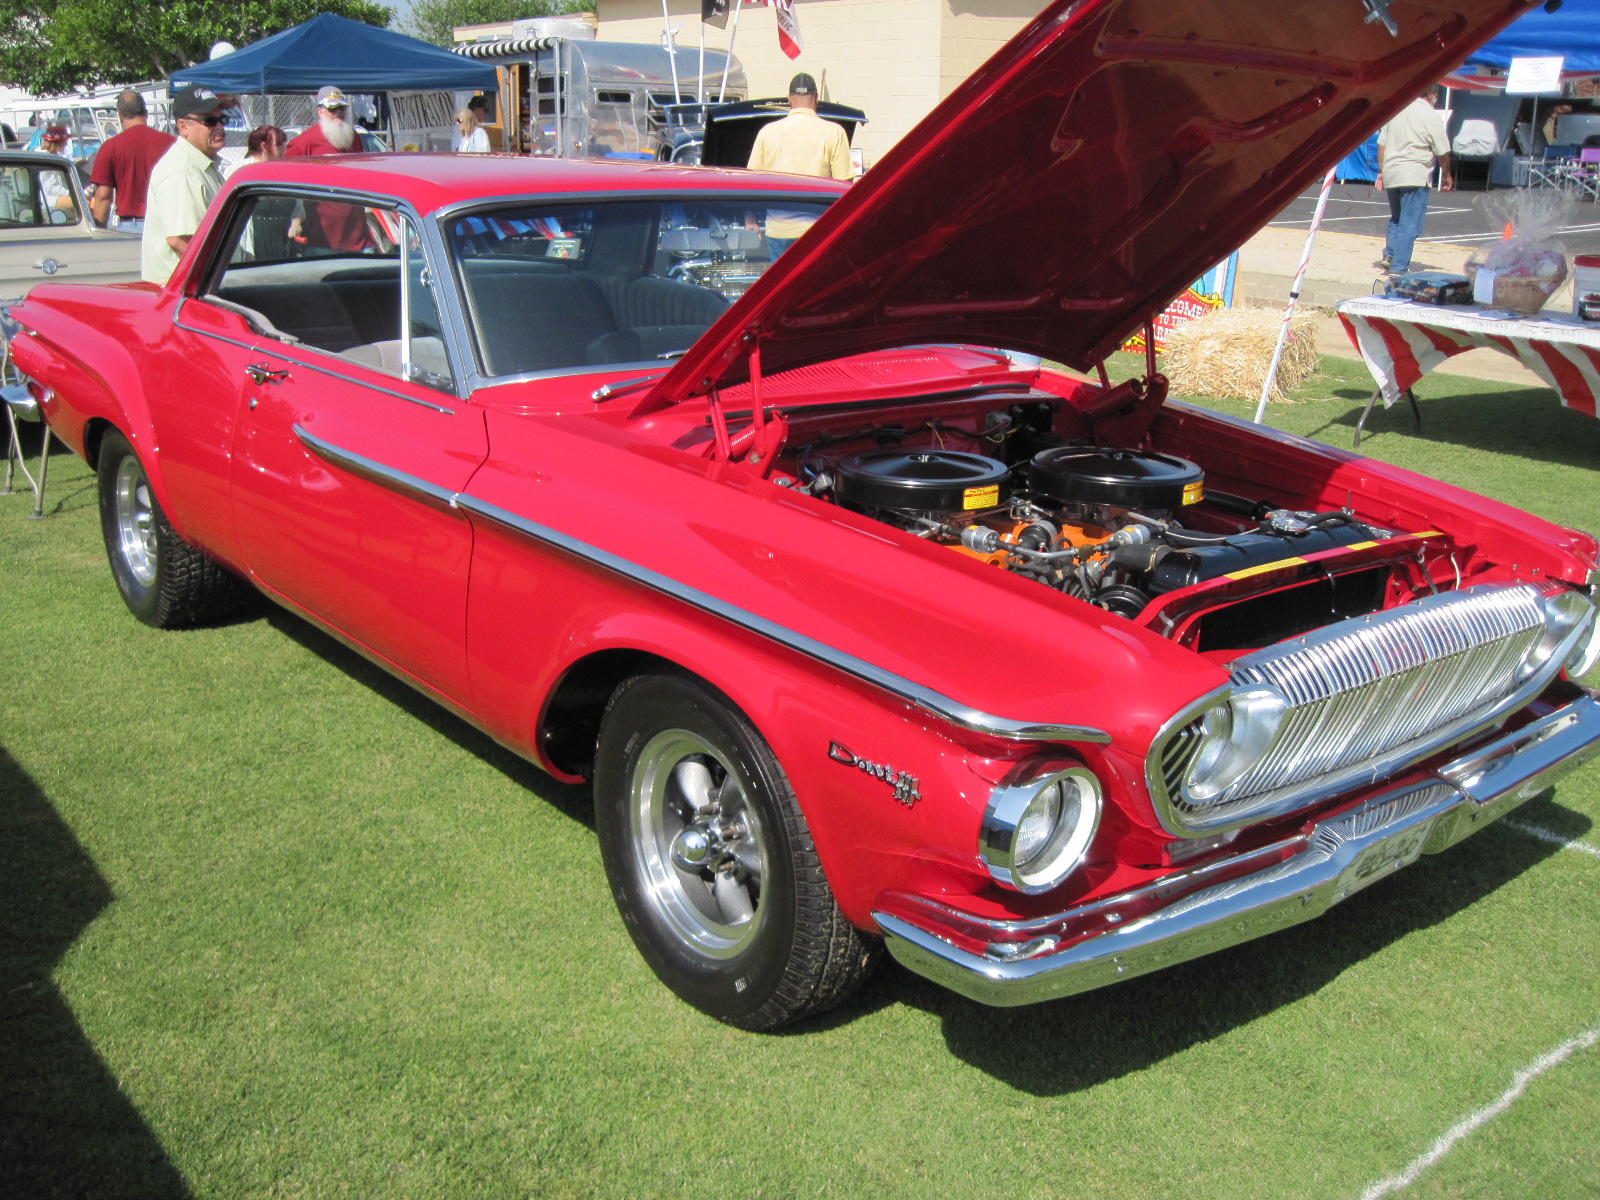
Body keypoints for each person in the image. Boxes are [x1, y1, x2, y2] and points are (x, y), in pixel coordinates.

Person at [746, 73, 853, 257]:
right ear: (817, 98)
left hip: (778, 230)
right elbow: (845, 187)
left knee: (782, 285)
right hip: (818, 231)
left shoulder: (767, 133)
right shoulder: (834, 132)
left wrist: (750, 220)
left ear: (789, 98)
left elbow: (750, 183)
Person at [141, 86, 228, 285]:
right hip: (182, 297)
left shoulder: (202, 164)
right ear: (183, 127)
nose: (220, 127)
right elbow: (182, 242)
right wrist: (223, 277)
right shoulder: (182, 172)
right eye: (210, 121)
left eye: (222, 119)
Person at [1375, 84, 1453, 275]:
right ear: (1432, 94)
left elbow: (1381, 144)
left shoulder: (1397, 109)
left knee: (1397, 218)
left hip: (1392, 170)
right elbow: (1442, 151)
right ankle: (1399, 267)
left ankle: (1390, 254)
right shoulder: (1430, 115)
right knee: (1410, 224)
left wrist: (1382, 170)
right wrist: (1447, 174)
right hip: (1414, 173)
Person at [284, 86, 373, 253]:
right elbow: (288, 186)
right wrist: (296, 220)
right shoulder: (303, 143)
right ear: (320, 111)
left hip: (357, 234)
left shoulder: (353, 138)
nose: (338, 112)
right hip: (323, 238)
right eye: (332, 109)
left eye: (341, 108)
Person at [88, 90, 174, 233]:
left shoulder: (110, 147)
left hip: (131, 225)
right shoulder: (171, 143)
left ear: (120, 115)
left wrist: (99, 231)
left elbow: (103, 196)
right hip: (167, 223)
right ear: (145, 112)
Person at [36, 125, 80, 217]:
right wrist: (70, 192)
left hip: (47, 197)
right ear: (59, 143)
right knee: (84, 202)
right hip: (46, 199)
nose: (67, 145)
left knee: (83, 200)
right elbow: (51, 188)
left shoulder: (46, 155)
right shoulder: (48, 159)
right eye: (65, 142)